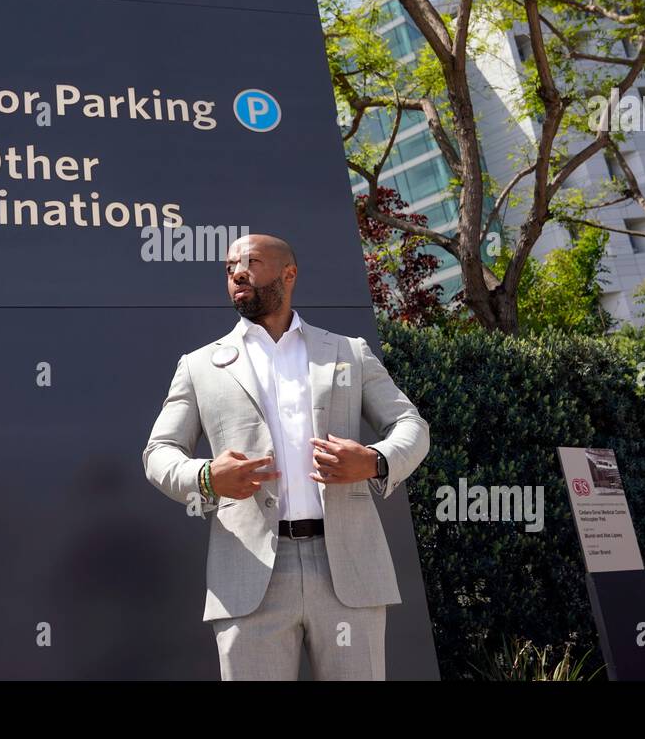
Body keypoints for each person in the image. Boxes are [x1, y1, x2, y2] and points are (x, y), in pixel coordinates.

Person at [142, 233, 430, 680]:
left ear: (288, 274)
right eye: (229, 267)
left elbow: (412, 427)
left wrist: (375, 460)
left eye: (252, 261)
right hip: (248, 576)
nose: (237, 272)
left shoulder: (348, 353)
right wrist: (206, 477)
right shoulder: (198, 365)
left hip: (348, 569)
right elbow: (159, 452)